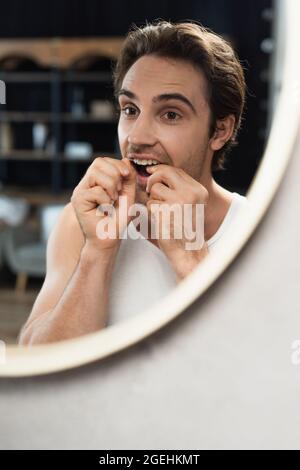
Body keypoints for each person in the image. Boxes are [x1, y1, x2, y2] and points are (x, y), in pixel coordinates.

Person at [19, 20, 249, 344]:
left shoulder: (264, 232)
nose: (136, 137)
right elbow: (38, 363)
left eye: (170, 114)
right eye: (130, 109)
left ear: (220, 130)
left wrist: (191, 261)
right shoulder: (81, 224)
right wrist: (98, 253)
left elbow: (270, 372)